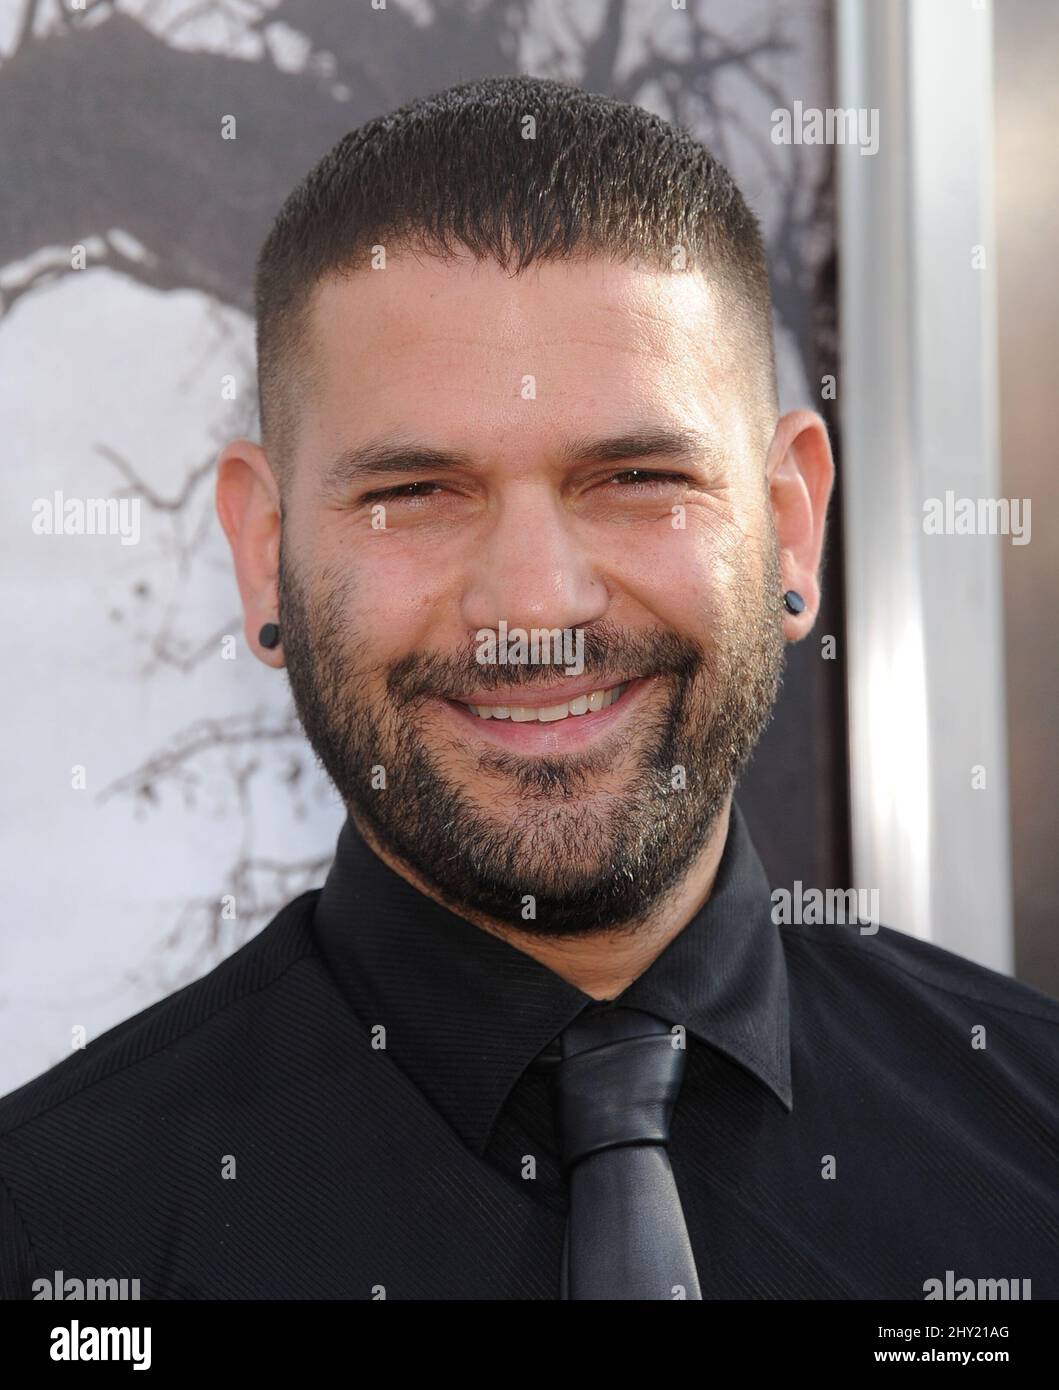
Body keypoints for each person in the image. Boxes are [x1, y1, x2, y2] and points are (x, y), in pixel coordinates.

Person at [1, 76, 1056, 1302]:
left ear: (789, 524)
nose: (536, 606)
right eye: (416, 494)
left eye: (636, 476)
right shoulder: (53, 1240)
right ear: (263, 553)